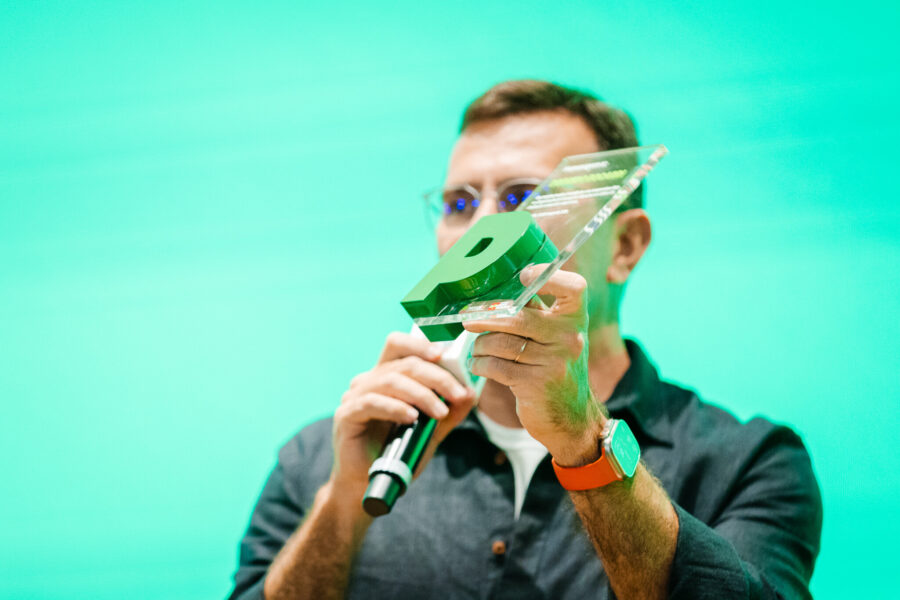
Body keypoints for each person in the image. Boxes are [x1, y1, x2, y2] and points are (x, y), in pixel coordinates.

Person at [228, 80, 822, 600]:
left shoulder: (747, 463)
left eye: (521, 197)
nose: (481, 228)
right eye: (459, 204)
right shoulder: (319, 460)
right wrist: (343, 502)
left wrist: (584, 442)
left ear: (625, 246)